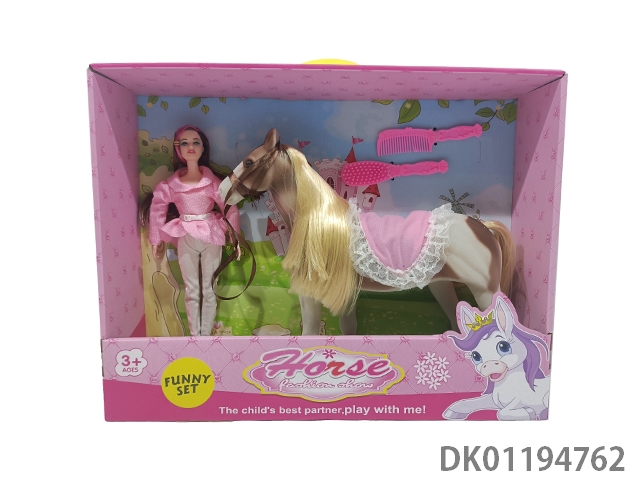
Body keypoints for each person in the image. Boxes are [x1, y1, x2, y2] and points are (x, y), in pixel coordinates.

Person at [142, 125, 240, 336]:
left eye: (196, 142)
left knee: (209, 289)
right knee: (191, 290)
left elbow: (229, 206)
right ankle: (195, 336)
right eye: (184, 143)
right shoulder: (172, 185)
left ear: (203, 147)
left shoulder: (211, 182)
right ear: (178, 149)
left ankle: (205, 335)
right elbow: (158, 207)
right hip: (185, 234)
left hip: (210, 234)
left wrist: (235, 236)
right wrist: (156, 238)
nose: (190, 147)